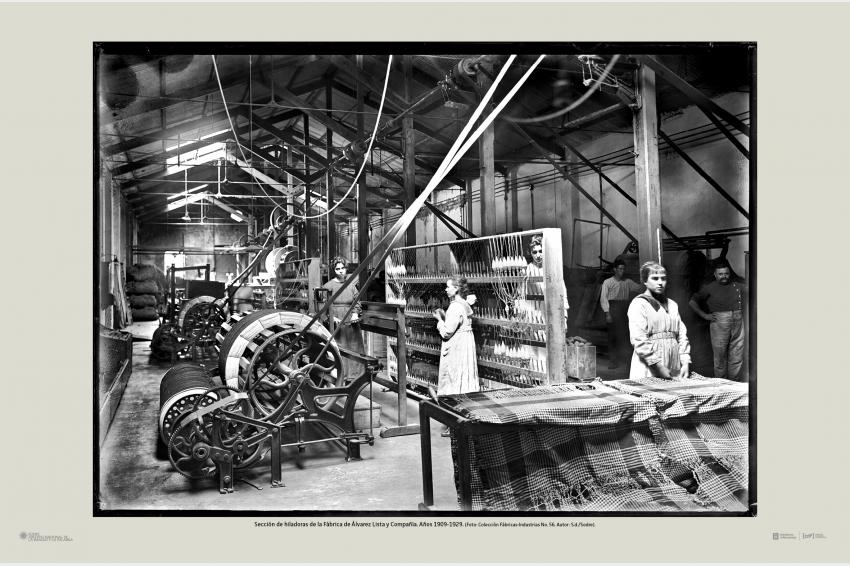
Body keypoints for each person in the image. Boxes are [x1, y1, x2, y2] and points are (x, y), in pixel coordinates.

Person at [430, 277, 479, 436]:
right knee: (464, 381)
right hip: (465, 345)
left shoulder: (455, 307)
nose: (446, 289)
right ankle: (467, 420)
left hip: (457, 347)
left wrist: (439, 320)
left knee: (454, 381)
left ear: (456, 288)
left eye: (448, 287)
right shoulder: (464, 304)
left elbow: (446, 333)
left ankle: (454, 424)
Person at [627, 261, 691, 380]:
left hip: (673, 359)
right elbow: (639, 338)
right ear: (645, 281)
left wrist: (685, 361)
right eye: (655, 278)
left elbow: (682, 335)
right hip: (651, 362)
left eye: (663, 278)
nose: (660, 282)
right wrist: (658, 366)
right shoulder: (639, 304)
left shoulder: (672, 305)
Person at [688, 261, 745, 380]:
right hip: (719, 322)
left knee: (737, 353)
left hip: (738, 321)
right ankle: (721, 383)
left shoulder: (737, 285)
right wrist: (705, 315)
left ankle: (734, 383)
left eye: (726, 273)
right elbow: (692, 302)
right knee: (720, 356)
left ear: (729, 274)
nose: (724, 276)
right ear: (715, 274)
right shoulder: (709, 288)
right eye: (720, 274)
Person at [322, 257, 365, 380]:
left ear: (346, 269)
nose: (341, 271)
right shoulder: (328, 286)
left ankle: (355, 377)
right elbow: (324, 305)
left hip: (350, 322)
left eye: (343, 268)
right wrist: (331, 317)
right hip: (336, 322)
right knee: (339, 348)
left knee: (353, 348)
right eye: (337, 269)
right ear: (334, 270)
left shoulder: (351, 286)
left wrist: (355, 313)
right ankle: (341, 376)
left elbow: (357, 301)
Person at [600, 259, 644, 369]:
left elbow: (640, 288)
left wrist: (647, 281)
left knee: (625, 335)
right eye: (620, 269)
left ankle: (627, 361)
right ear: (615, 269)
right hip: (612, 309)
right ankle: (613, 361)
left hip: (624, 309)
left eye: (623, 269)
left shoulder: (627, 282)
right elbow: (603, 299)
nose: (622, 271)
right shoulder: (608, 282)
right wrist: (607, 314)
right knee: (612, 337)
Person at [526, 235, 569, 330]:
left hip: (551, 314)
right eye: (534, 252)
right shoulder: (527, 270)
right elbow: (521, 295)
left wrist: (564, 318)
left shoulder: (553, 269)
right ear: (530, 253)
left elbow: (562, 295)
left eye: (540, 251)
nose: (538, 255)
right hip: (533, 315)